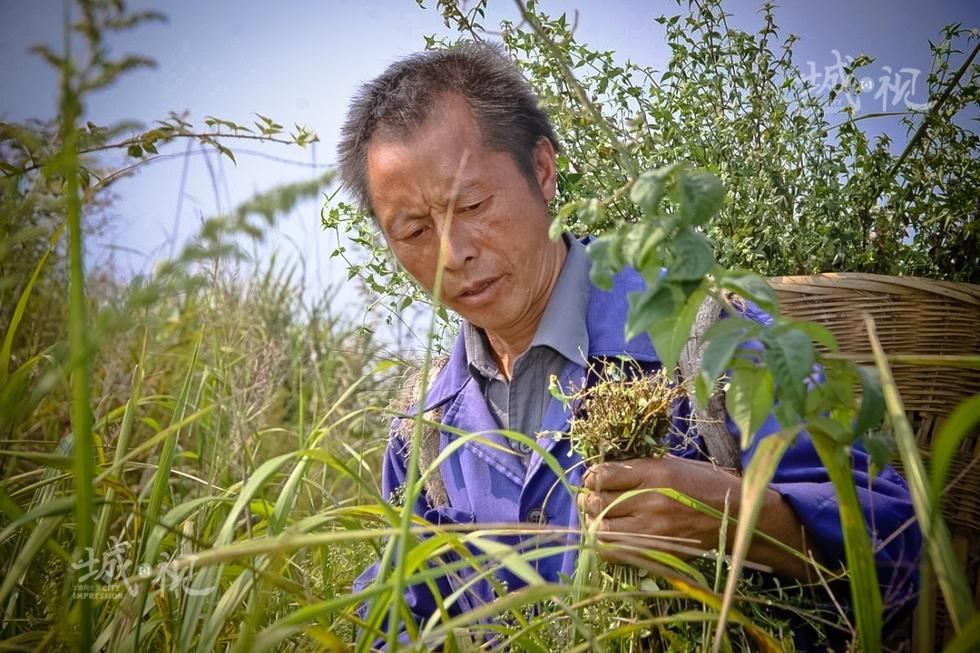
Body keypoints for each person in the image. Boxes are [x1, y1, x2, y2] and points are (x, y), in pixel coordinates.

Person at [337, 42, 920, 646]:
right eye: (414, 230)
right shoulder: (426, 424)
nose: (455, 254)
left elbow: (907, 552)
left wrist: (741, 519)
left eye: (475, 204)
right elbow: (395, 619)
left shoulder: (706, 341)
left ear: (541, 170)